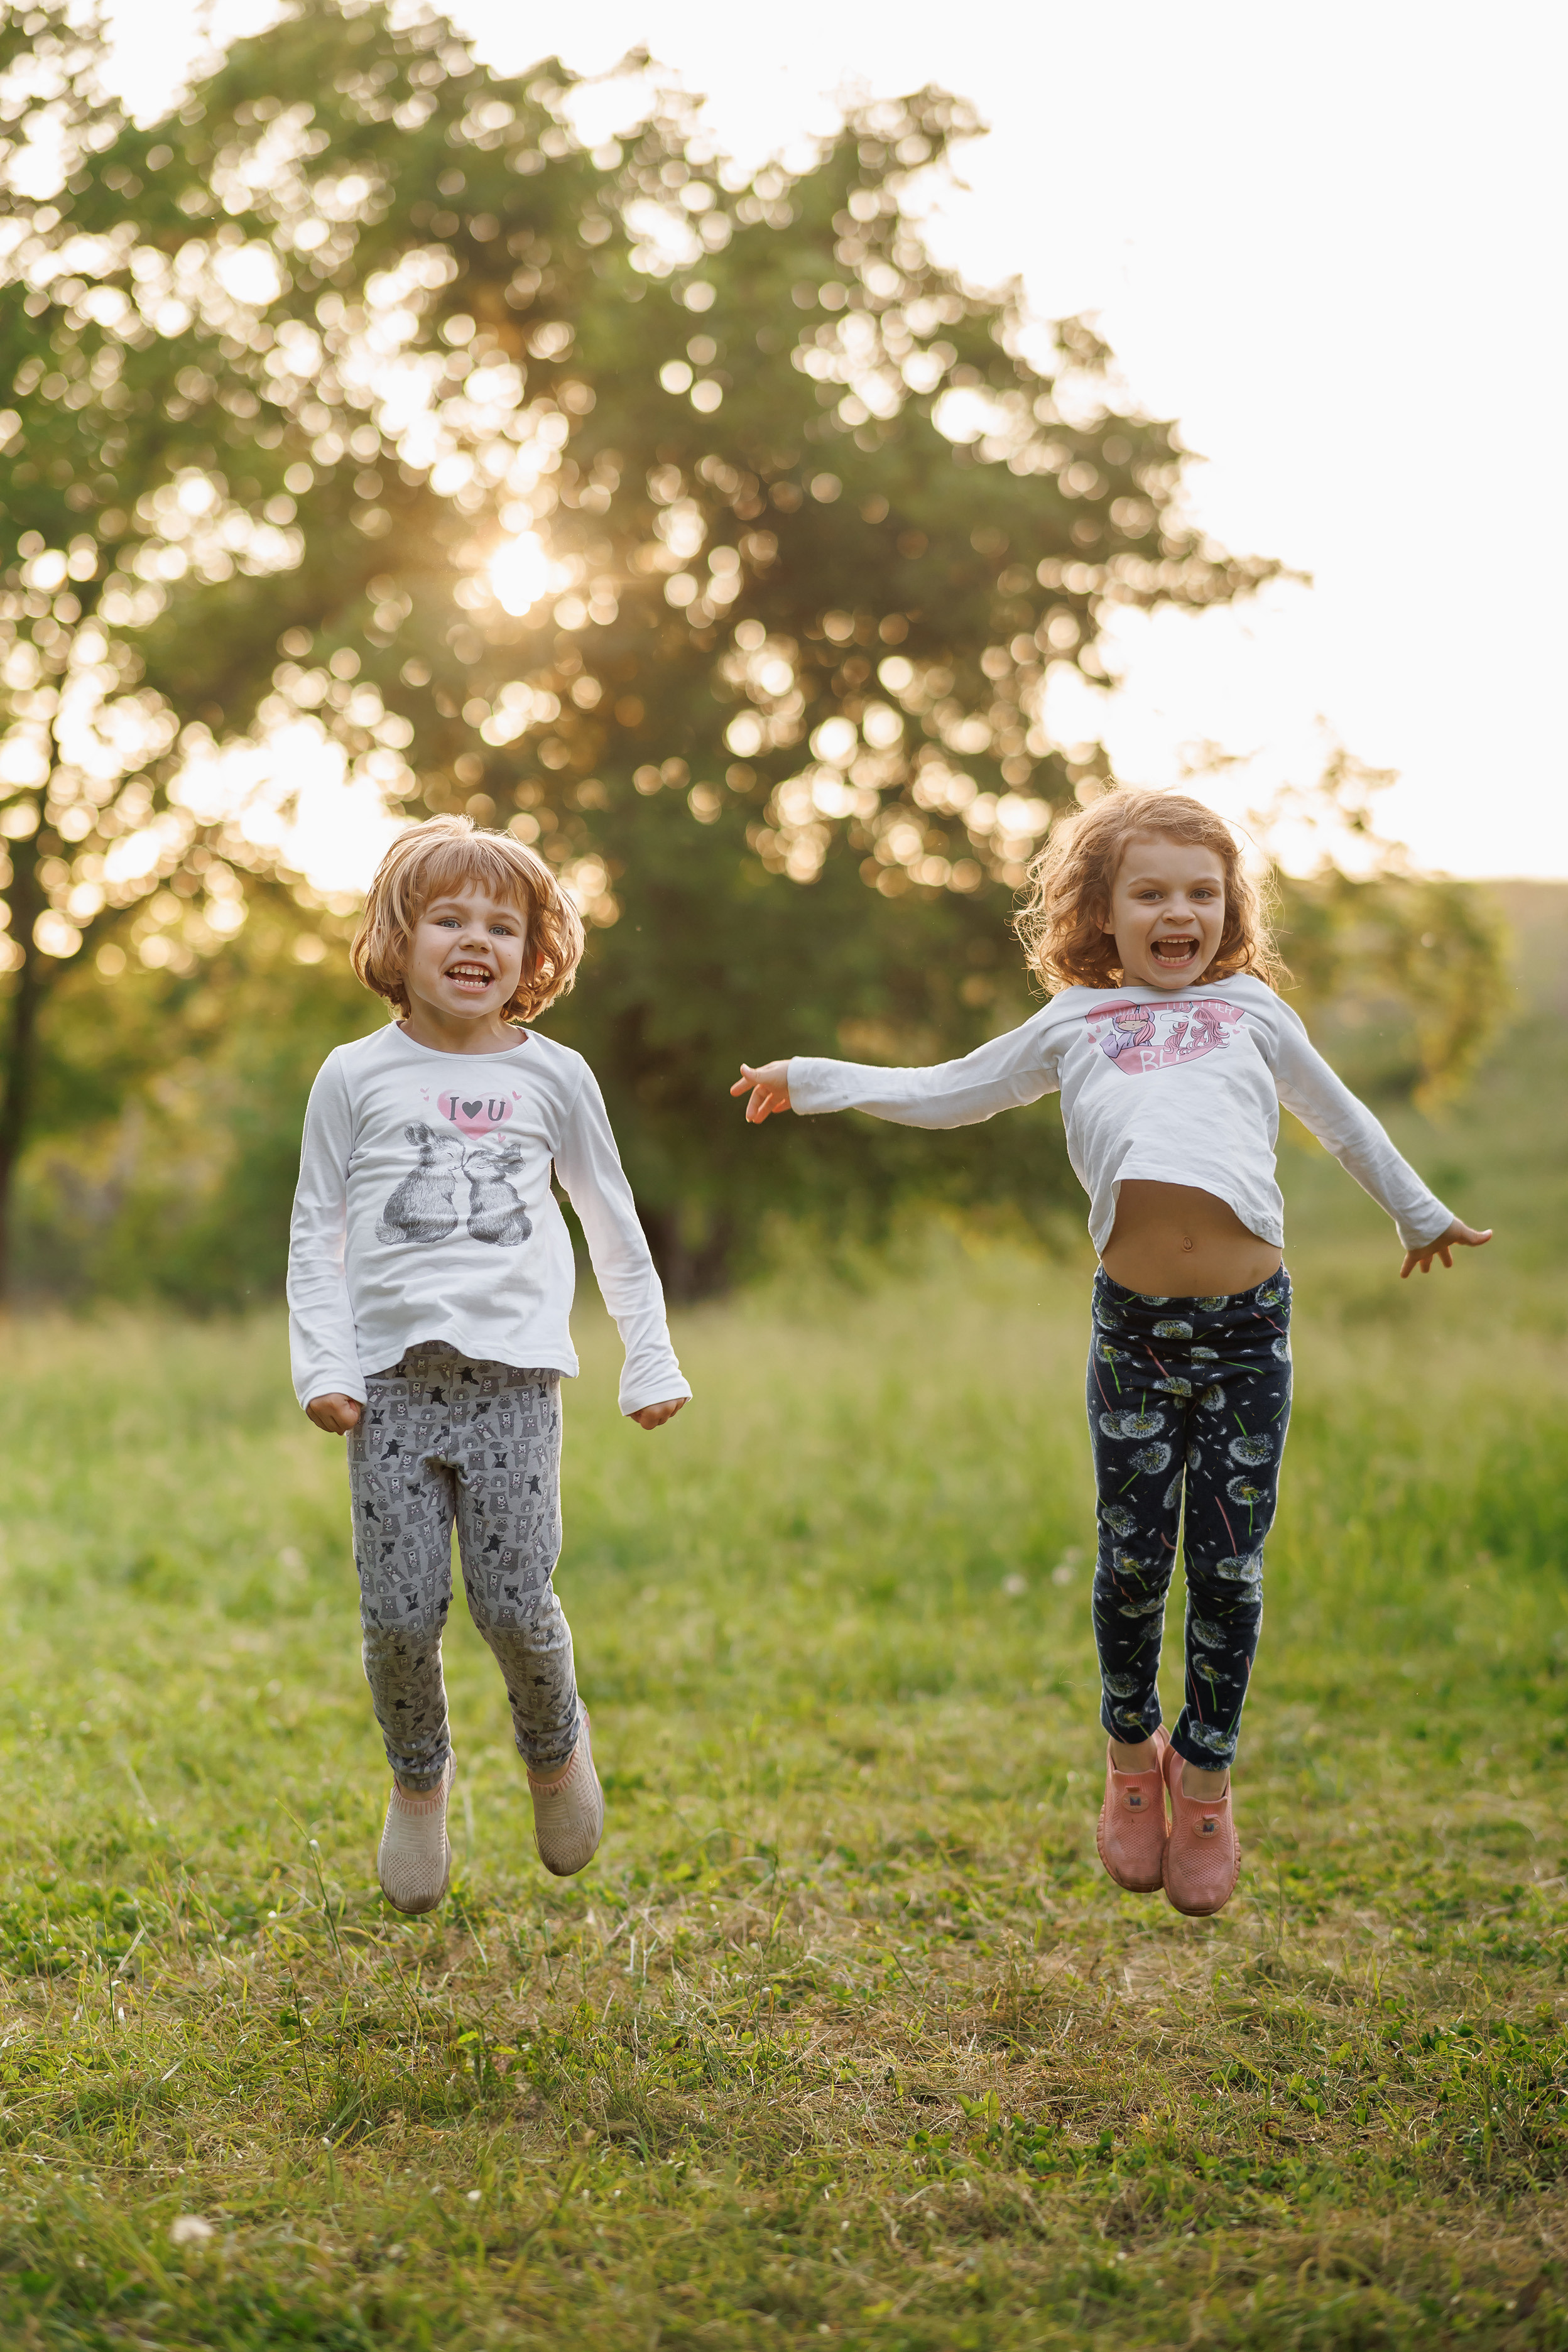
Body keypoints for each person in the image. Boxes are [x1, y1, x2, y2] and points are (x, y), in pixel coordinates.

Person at [730, 788, 1488, 1917]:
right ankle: (1134, 1756)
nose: (1177, 911)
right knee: (1135, 1561)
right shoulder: (1073, 1023)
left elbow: (1343, 1120)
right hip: (1133, 1333)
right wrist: (816, 1079)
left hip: (1247, 1333)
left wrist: (1418, 1212)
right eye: (1150, 892)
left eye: (1200, 892)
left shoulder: (1254, 1014)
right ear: (1104, 909)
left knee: (1227, 1566)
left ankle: (1212, 1769)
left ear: (1229, 907)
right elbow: (950, 1094)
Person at [288, 815, 689, 1915]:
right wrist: (324, 1366)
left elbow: (612, 1220)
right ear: (399, 941)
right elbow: (315, 1233)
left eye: (501, 925)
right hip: (391, 1391)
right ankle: (420, 1786)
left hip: (515, 1387)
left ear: (532, 954)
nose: (476, 940)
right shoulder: (354, 1075)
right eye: (449, 919)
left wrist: (647, 1357)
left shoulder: (555, 1078)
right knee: (399, 1616)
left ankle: (555, 1754)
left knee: (515, 1603)